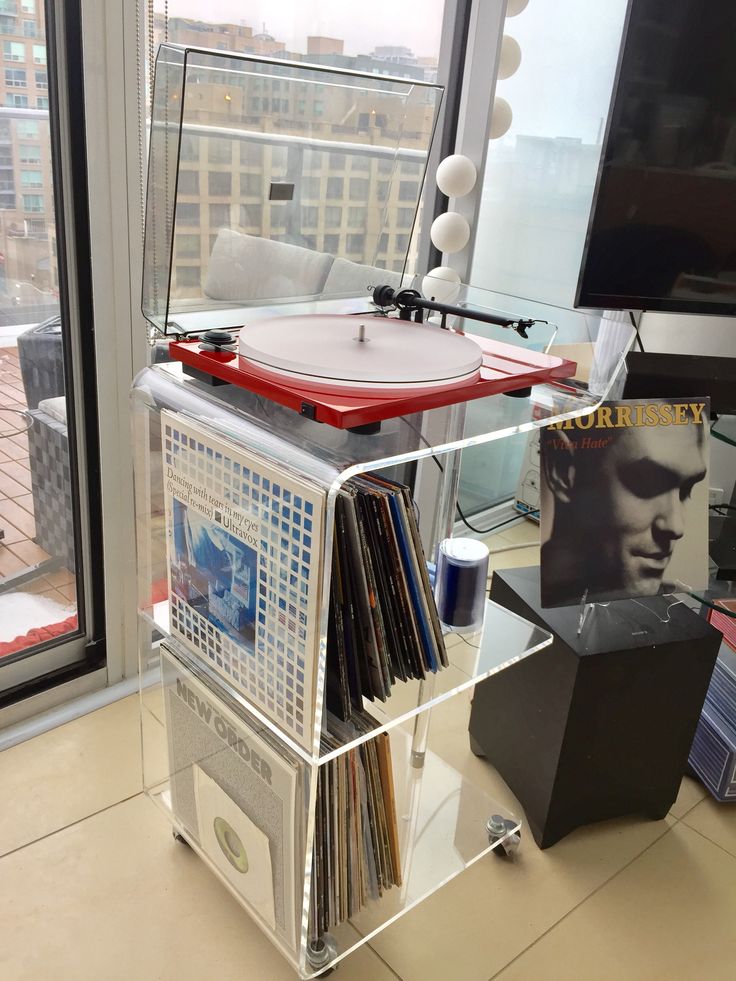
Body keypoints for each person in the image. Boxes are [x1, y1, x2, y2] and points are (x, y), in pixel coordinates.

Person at [540, 400, 708, 607]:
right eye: (648, 483)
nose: (676, 526)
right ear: (562, 471)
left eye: (687, 489)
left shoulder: (678, 602)